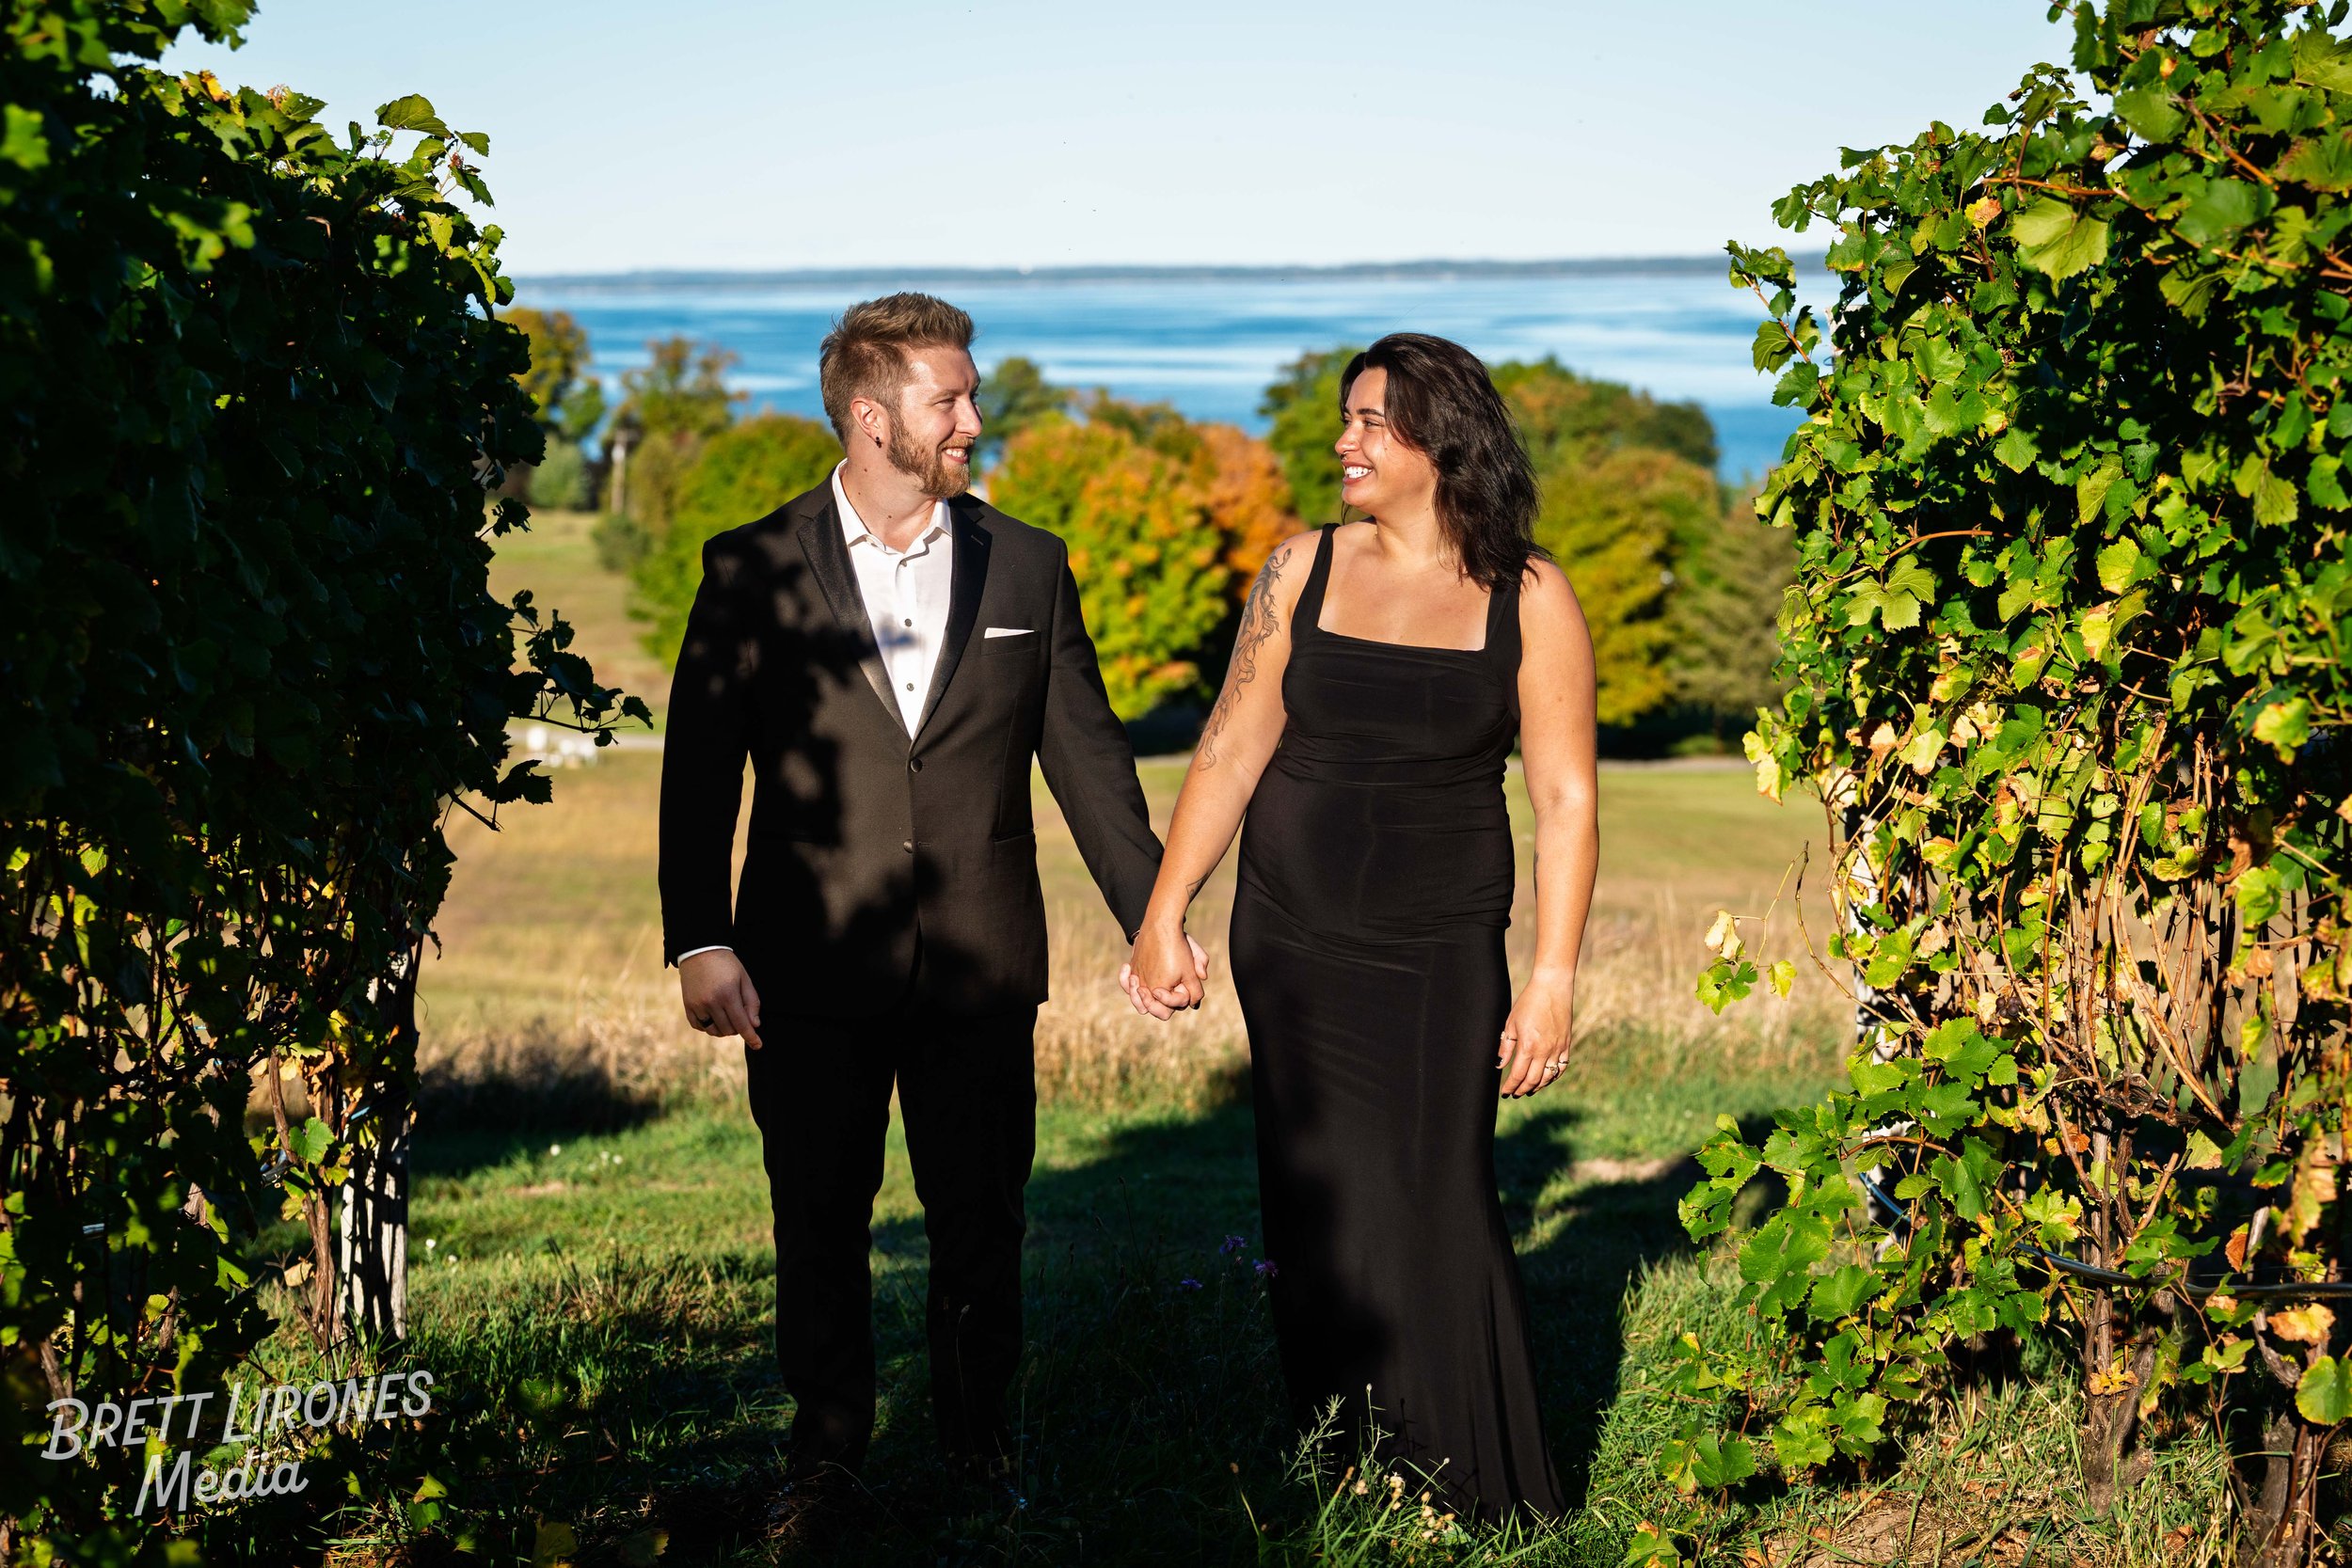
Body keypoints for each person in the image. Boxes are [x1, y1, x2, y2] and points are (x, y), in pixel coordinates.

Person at [658, 293, 1204, 1504]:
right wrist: (699, 935)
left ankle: (975, 1450)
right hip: (804, 963)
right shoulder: (749, 567)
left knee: (978, 1221)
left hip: (980, 961)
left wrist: (1151, 914)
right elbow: (700, 769)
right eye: (947, 399)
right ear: (870, 417)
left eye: (968, 394)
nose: (972, 418)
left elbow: (1091, 765)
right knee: (818, 1219)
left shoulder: (1028, 562)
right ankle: (829, 1451)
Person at [1122, 333, 1598, 1521]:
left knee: (1437, 1191)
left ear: (1443, 441)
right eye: (1346, 418)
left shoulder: (1528, 595)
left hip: (1439, 945)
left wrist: (1549, 978)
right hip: (1287, 938)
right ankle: (1349, 1453)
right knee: (1317, 1193)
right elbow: (1230, 744)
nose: (1344, 440)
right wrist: (1162, 911)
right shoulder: (1299, 568)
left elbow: (1565, 796)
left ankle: (1480, 1481)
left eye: (1371, 421)